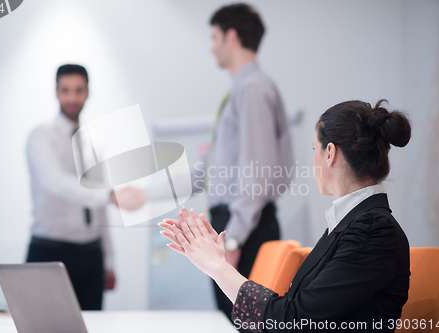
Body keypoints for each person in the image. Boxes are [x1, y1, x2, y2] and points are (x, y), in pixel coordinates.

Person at [160, 100, 411, 332]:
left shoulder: (372, 230)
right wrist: (219, 265)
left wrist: (218, 267)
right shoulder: (353, 223)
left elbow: (293, 321)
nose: (313, 160)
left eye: (315, 148)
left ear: (330, 153)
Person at [197, 3, 294, 319]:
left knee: (244, 322)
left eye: (215, 37)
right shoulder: (246, 89)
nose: (212, 48)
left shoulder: (252, 90)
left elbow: (257, 173)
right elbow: (219, 169)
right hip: (242, 223)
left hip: (244, 228)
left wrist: (235, 237)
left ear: (232, 36)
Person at [25, 64, 145, 310]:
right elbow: (54, 181)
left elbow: (98, 206)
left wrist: (109, 259)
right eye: (65, 90)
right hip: (49, 251)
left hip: (91, 255)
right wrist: (110, 194)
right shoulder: (41, 137)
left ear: (87, 93)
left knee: (91, 326)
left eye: (78, 90)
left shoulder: (93, 141)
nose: (72, 98)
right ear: (56, 92)